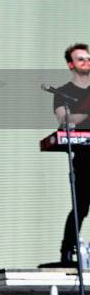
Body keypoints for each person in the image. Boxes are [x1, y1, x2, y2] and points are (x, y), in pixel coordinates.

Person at [53, 43, 90, 265]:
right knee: (81, 207)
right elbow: (65, 122)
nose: (87, 62)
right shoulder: (64, 92)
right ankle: (67, 251)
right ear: (70, 65)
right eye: (81, 59)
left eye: (89, 58)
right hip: (85, 157)